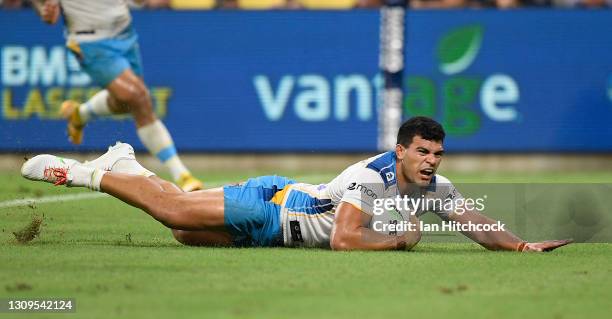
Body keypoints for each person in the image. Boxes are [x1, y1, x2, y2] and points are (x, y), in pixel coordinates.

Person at [21, 117, 572, 251]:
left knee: (186, 234)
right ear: (400, 150)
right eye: (422, 152)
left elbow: (473, 219)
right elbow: (344, 239)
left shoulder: (431, 187)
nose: (430, 162)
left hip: (280, 228)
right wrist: (399, 240)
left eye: (437, 155)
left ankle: (129, 164)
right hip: (274, 207)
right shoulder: (371, 175)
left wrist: (521, 245)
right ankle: (88, 173)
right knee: (175, 214)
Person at [31, 0, 203, 192]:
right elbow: (43, 8)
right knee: (139, 97)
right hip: (91, 42)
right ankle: (182, 175)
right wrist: (44, 8)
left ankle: (80, 114)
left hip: (125, 34)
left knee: (126, 102)